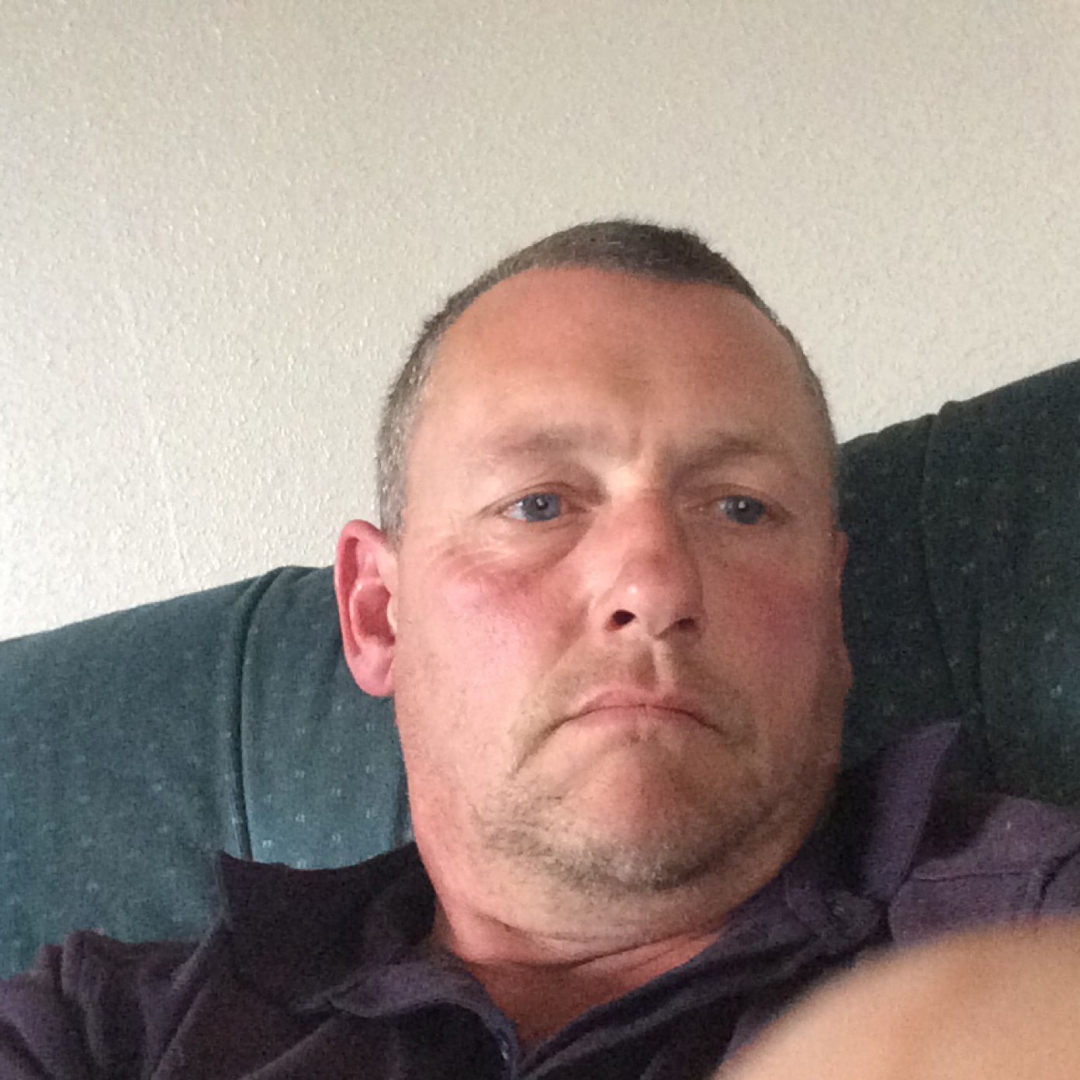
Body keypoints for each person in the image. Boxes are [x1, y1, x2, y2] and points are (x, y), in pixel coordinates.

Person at [2, 220, 1079, 1078]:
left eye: (741, 508)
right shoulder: (100, 1030)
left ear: (831, 615)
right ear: (376, 614)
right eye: (539, 503)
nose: (653, 586)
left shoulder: (1028, 931)